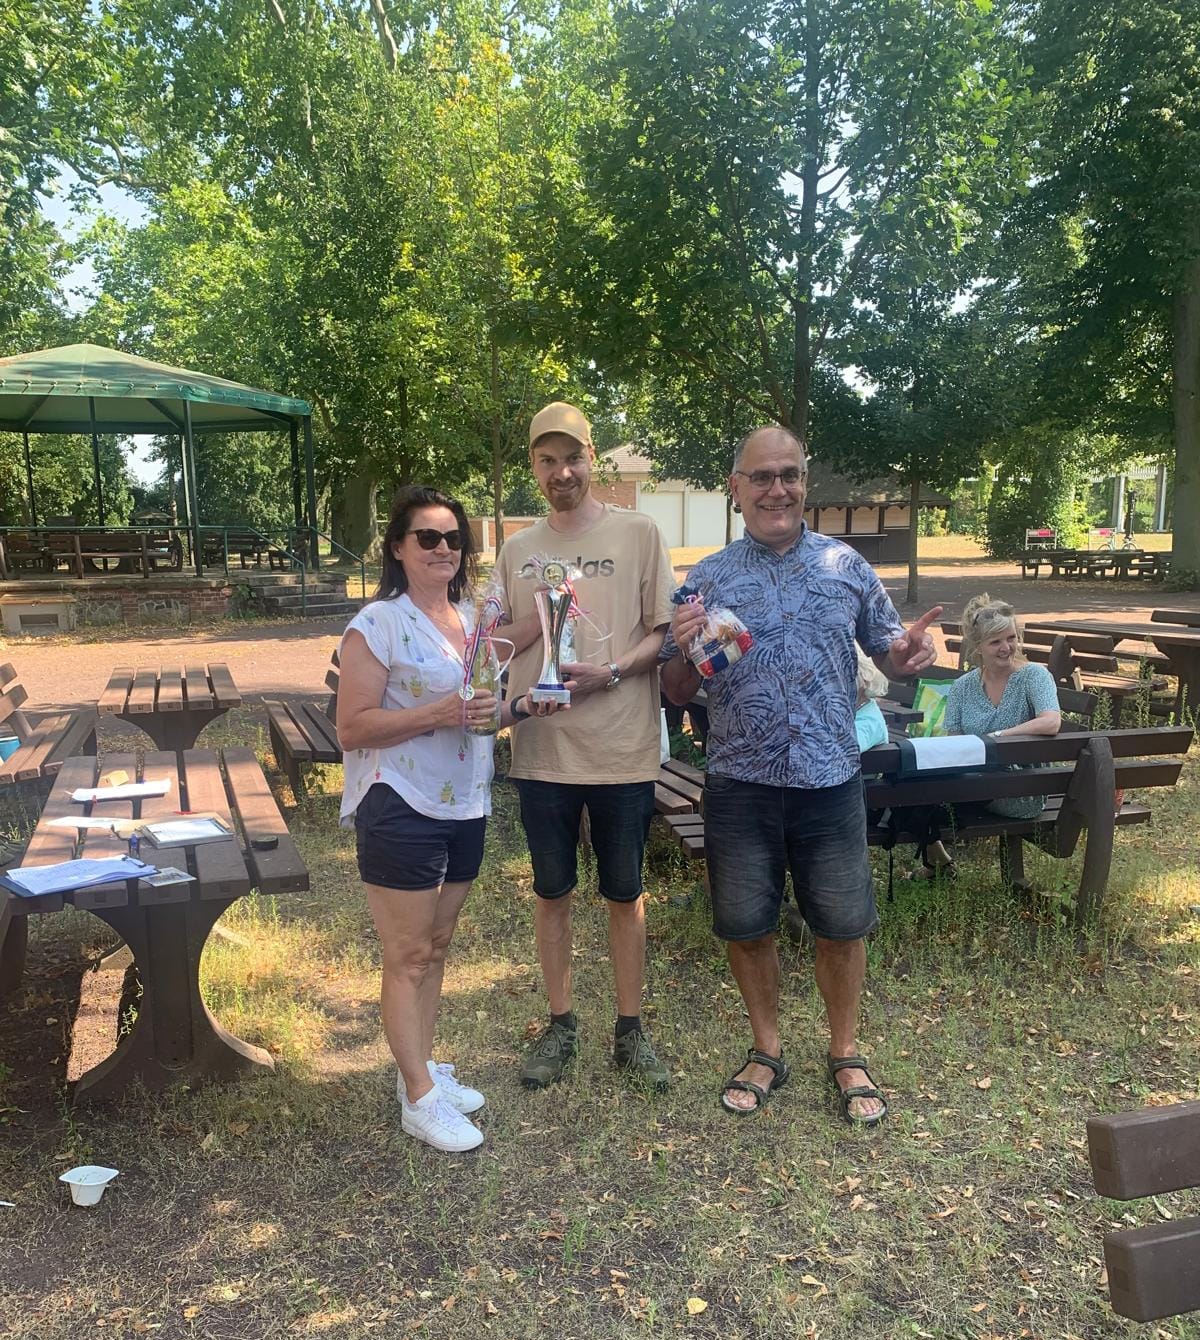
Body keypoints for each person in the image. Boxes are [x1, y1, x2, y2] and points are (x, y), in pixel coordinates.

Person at [661, 426, 940, 1127]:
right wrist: (682, 649)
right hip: (738, 783)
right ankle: (766, 1048)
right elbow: (670, 690)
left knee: (843, 927)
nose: (775, 488)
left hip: (829, 781)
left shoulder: (847, 565)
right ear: (735, 488)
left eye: (788, 474)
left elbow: (890, 651)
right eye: (760, 476)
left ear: (804, 482)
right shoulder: (706, 579)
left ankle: (845, 1051)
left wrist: (908, 657)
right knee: (747, 926)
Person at [337, 485, 554, 1153]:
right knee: (405, 955)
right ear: (398, 547)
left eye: (453, 538)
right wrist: (438, 713)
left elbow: (484, 710)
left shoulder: (472, 623)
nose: (442, 548)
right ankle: (419, 1101)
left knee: (435, 947)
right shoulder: (377, 624)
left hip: (465, 803)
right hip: (399, 801)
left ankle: (420, 1071)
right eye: (426, 537)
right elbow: (351, 728)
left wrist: (527, 707)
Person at [491, 402, 676, 1092]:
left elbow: (664, 633)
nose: (561, 472)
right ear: (533, 467)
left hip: (621, 747)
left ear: (592, 459)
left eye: (572, 458)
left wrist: (612, 672)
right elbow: (502, 640)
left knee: (625, 894)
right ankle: (561, 1023)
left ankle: (631, 1030)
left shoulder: (639, 533)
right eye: (546, 460)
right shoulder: (517, 549)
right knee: (551, 892)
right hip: (543, 751)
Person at [943, 594, 1061, 821]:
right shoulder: (962, 686)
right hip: (974, 779)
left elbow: (1051, 721)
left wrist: (996, 737)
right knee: (916, 784)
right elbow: (953, 741)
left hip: (1022, 789)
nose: (1006, 647)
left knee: (928, 793)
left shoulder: (1034, 675)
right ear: (978, 646)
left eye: (1011, 638)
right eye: (995, 642)